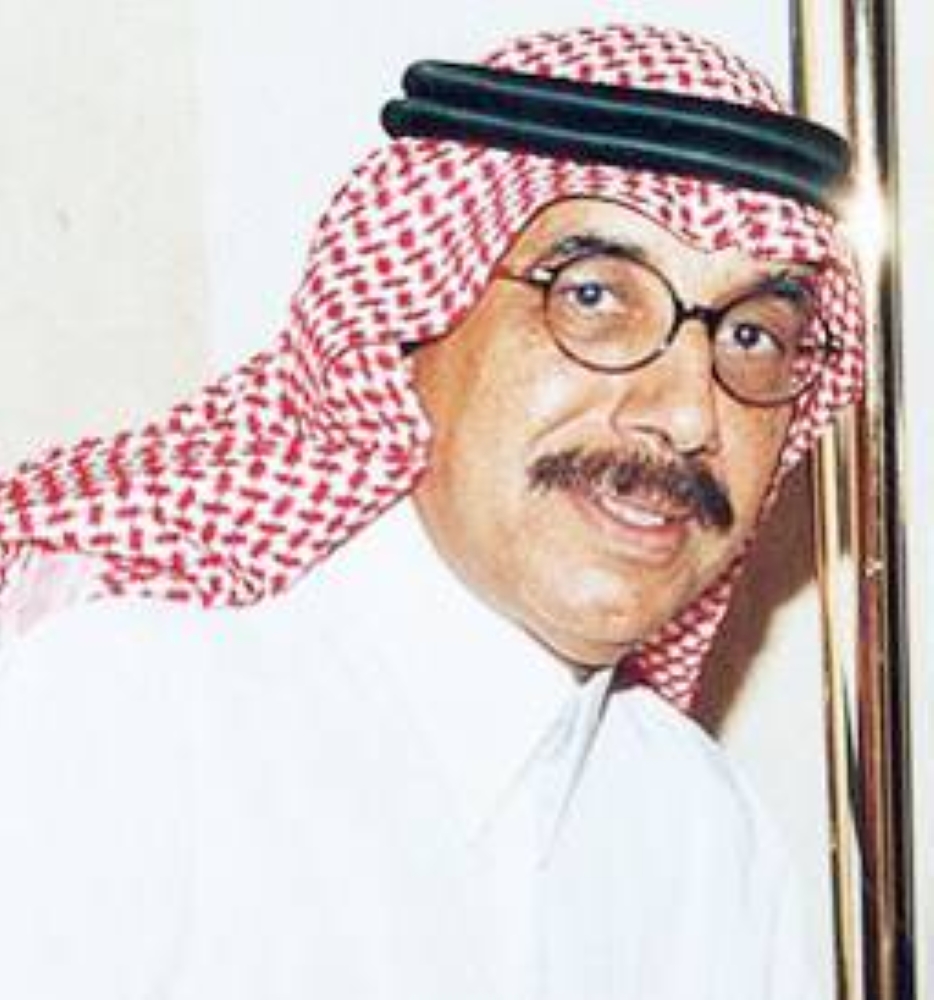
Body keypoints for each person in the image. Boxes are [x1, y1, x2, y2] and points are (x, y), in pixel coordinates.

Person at [0, 23, 862, 1000]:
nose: (687, 413)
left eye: (752, 336)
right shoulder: (119, 716)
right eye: (592, 297)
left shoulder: (707, 840)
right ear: (409, 327)